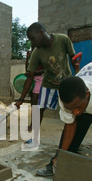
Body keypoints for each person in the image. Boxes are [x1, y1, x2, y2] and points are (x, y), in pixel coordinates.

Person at [15, 22, 80, 151]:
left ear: (41, 32)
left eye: (32, 38)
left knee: (73, 113)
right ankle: (34, 139)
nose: (32, 42)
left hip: (66, 83)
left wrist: (78, 77)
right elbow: (30, 76)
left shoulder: (62, 40)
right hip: (48, 84)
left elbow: (74, 60)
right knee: (38, 110)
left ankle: (74, 144)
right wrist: (21, 99)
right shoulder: (37, 53)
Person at [25, 45, 44, 133]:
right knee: (33, 105)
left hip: (39, 80)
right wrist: (27, 59)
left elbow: (44, 70)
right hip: (32, 80)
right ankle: (33, 124)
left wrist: (32, 73)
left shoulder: (41, 55)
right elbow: (28, 69)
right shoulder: (31, 54)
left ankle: (35, 125)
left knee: (37, 105)